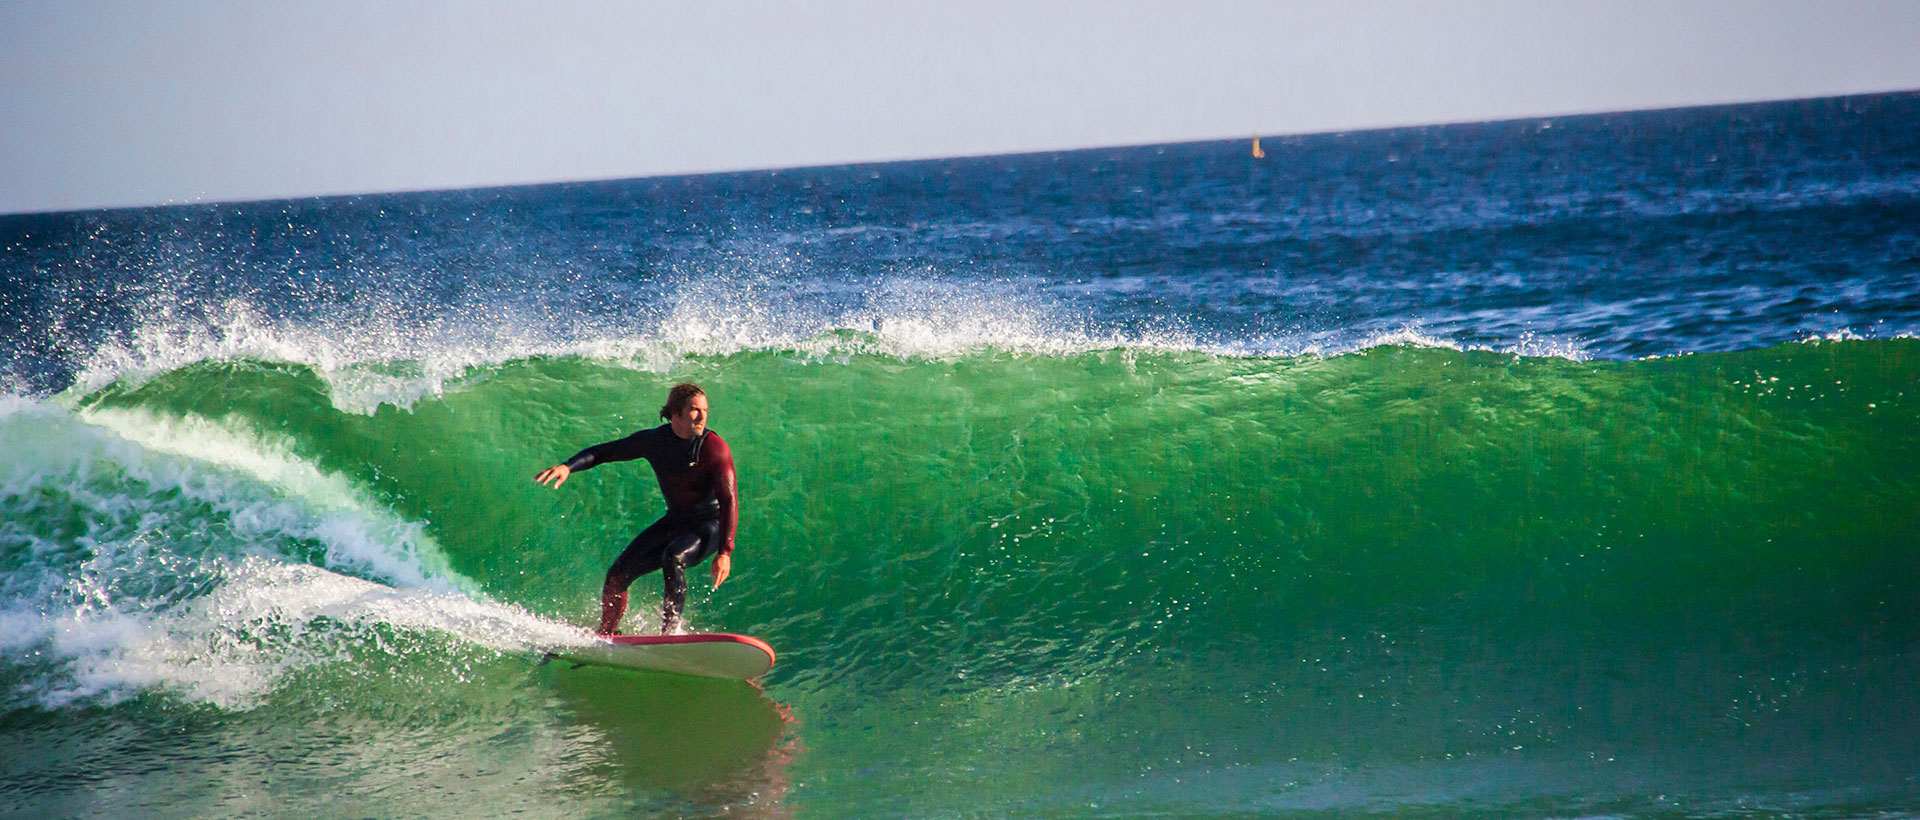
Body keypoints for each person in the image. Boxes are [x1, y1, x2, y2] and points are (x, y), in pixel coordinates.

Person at [534, 382, 737, 635]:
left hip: (711, 524)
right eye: (695, 410)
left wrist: (725, 551)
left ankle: (670, 634)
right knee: (617, 574)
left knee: (673, 557)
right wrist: (568, 467)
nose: (703, 415)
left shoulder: (714, 448)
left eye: (705, 409)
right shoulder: (656, 441)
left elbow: (729, 501)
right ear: (676, 414)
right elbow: (606, 452)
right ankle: (607, 634)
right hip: (677, 521)